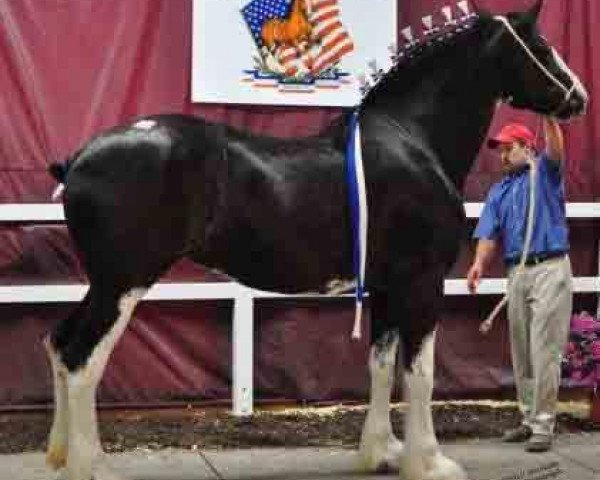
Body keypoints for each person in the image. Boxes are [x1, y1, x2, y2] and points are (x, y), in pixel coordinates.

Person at [467, 118, 573, 453]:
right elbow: (487, 233)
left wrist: (550, 117)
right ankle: (529, 419)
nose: (502, 155)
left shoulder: (544, 172)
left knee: (545, 349)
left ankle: (544, 424)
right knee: (523, 350)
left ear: (527, 147)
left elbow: (557, 147)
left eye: (508, 147)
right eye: (499, 149)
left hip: (549, 268)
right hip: (518, 272)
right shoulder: (498, 191)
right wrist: (478, 264)